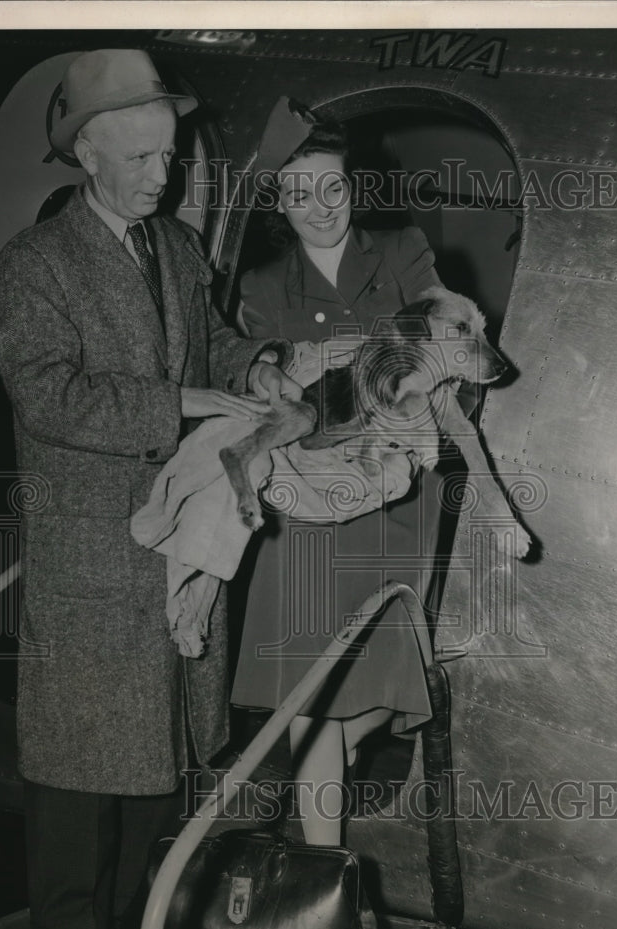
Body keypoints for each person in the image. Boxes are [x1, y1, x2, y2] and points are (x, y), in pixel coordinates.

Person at [0, 50, 298, 929]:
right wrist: (182, 404)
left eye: (169, 156)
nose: (163, 176)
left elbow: (210, 341)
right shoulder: (34, 262)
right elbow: (47, 394)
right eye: (140, 159)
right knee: (82, 760)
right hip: (93, 547)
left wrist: (255, 368)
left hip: (179, 540)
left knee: (161, 752)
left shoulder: (174, 246)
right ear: (88, 155)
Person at [231, 98, 448, 846]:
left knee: (384, 690)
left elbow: (445, 332)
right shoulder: (260, 286)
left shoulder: (402, 249)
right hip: (307, 514)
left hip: (392, 501)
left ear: (356, 187)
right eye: (297, 194)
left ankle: (315, 786)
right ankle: (320, 867)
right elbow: (257, 390)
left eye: (331, 188)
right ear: (278, 204)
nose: (317, 208)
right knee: (312, 696)